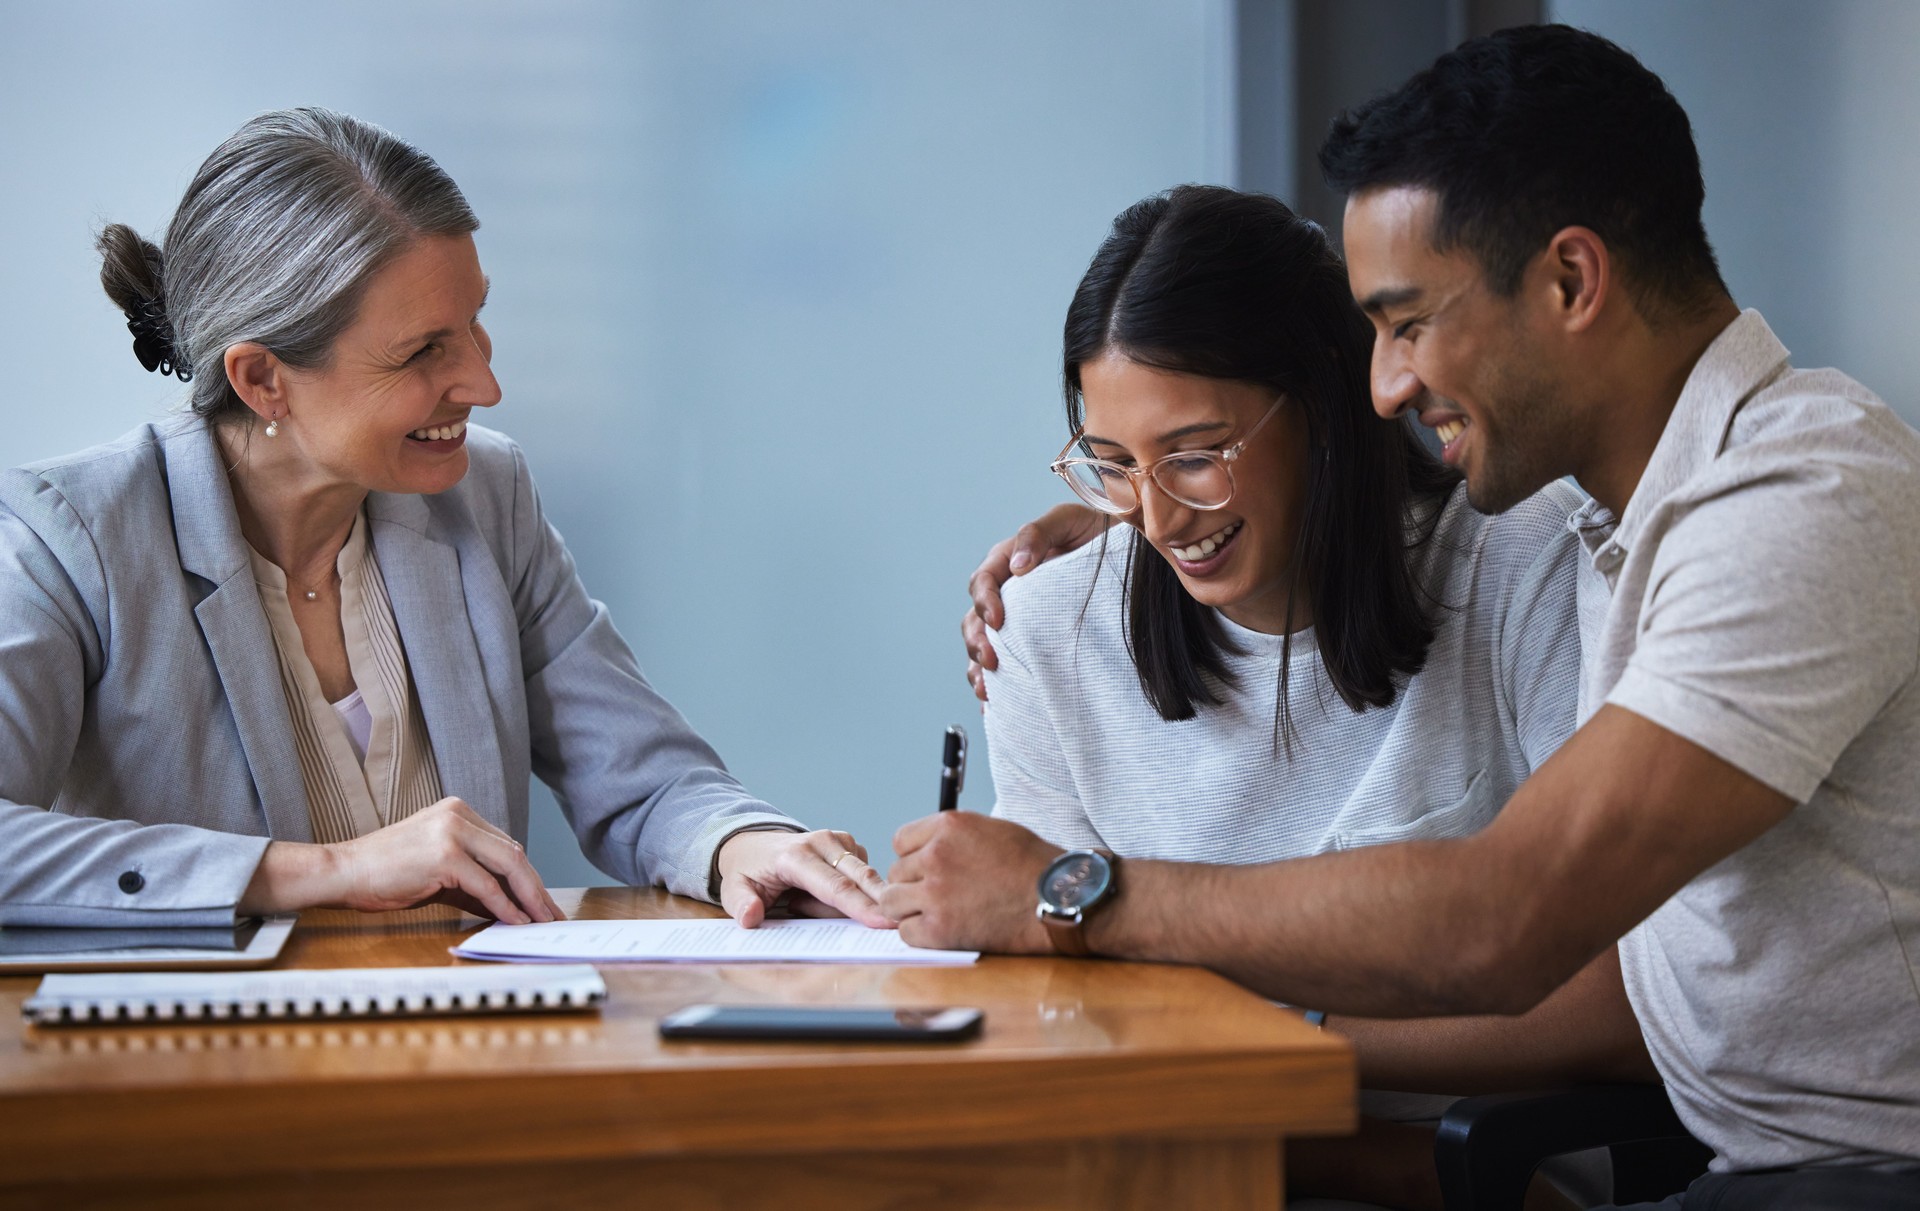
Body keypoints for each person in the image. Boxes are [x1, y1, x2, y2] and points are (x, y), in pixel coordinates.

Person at [895, 25, 1920, 1210]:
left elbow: (1512, 915)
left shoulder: (1802, 499)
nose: (1383, 385)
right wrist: (1142, 511)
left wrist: (1073, 892)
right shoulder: (1642, 519)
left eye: (1408, 323)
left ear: (1572, 281)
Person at [0, 108, 887, 933]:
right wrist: (320, 870)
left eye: (474, 323)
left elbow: (644, 777)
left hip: (466, 1055)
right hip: (204, 1077)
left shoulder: (484, 496)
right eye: (425, 350)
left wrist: (742, 845)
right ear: (262, 379)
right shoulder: (67, 541)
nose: (485, 385)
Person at [967, 181, 1638, 1210]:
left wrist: (1280, 1051)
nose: (1156, 517)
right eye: (1114, 465)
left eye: (1193, 456)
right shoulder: (1048, 628)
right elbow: (1066, 1014)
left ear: (1325, 397)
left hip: (1488, 1175)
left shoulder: (1523, 564)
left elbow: (1624, 1002)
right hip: (1177, 1171)